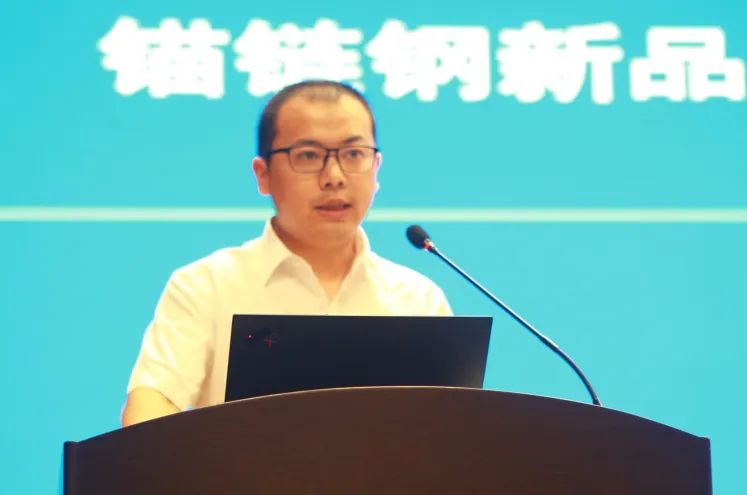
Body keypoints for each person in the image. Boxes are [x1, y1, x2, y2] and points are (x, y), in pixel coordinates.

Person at [121, 80, 452, 427]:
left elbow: (447, 429)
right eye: (308, 155)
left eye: (353, 154)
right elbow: (149, 409)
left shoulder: (418, 300)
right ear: (263, 174)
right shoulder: (206, 286)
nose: (334, 177)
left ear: (376, 167)